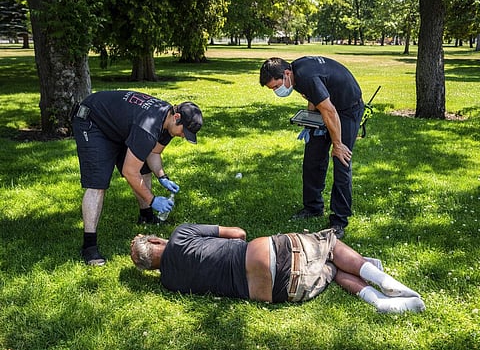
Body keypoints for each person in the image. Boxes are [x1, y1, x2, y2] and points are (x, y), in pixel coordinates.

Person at [130, 223, 426, 313]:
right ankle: (384, 280)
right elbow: (238, 233)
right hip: (264, 255)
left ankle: (379, 302)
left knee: (332, 269)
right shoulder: (180, 234)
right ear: (156, 240)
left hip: (282, 291)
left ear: (150, 268)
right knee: (330, 245)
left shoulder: (169, 283)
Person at [72, 90, 203, 266]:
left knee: (144, 168)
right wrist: (152, 199)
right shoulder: (148, 127)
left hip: (118, 126)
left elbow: (154, 152)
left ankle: (146, 216)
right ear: (176, 117)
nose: (183, 135)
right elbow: (129, 172)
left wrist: (163, 177)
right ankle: (89, 246)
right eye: (183, 131)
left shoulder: (167, 120)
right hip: (93, 121)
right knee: (98, 183)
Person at [259, 57, 365, 238]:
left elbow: (329, 110)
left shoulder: (306, 76)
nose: (277, 91)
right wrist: (311, 122)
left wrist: (337, 144)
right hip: (328, 107)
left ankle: (339, 220)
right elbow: (315, 98)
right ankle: (313, 207)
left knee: (341, 160)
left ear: (286, 74)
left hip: (346, 109)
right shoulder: (295, 72)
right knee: (313, 158)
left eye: (276, 86)